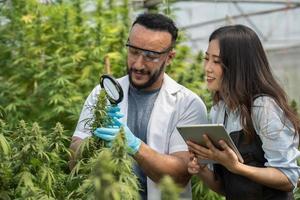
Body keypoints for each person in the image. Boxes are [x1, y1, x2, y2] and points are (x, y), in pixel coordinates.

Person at [69, 13, 207, 200]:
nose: (138, 64)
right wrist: (93, 142)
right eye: (133, 51)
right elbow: (72, 159)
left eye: (151, 56)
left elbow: (180, 175)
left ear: (169, 57)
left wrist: (134, 145)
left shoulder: (188, 104)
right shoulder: (101, 94)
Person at [187, 24, 300, 200]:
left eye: (216, 61)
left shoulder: (263, 108)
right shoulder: (220, 110)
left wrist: (237, 167)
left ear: (238, 66)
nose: (207, 68)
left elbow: (288, 178)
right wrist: (201, 169)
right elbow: (227, 188)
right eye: (206, 58)